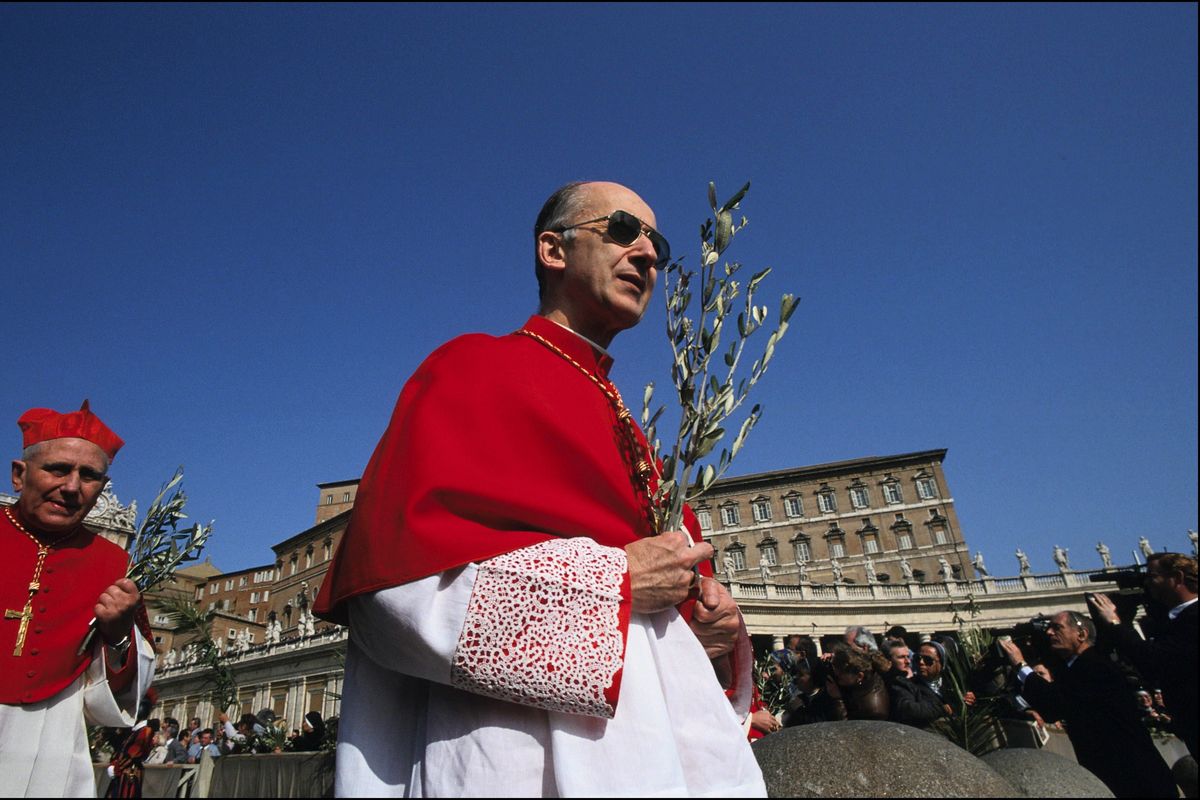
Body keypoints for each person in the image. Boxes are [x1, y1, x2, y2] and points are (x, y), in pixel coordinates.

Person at [312, 181, 764, 796]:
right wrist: (615, 582)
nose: (649, 255)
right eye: (624, 230)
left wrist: (704, 622)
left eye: (656, 243)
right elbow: (392, 591)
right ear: (554, 250)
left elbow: (660, 608)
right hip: (521, 757)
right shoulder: (474, 368)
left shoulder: (637, 430)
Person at [0, 402, 156, 797]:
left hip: (52, 737)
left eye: (89, 476)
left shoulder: (116, 564)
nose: (72, 487)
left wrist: (120, 633)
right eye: (58, 469)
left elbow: (130, 692)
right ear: (19, 475)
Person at [999, 611, 1177, 797]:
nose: (1049, 633)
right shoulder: (1078, 666)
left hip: (1135, 778)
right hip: (1125, 773)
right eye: (1048, 628)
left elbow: (1054, 705)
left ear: (1081, 634)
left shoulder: (1093, 666)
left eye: (1057, 627)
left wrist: (1020, 665)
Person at [1087, 552, 1197, 758]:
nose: (1148, 584)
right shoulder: (1172, 620)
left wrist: (1115, 623)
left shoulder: (1193, 618)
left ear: (1178, 578)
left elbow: (1153, 660)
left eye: (1152, 577)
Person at [825, 645, 891, 721]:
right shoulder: (865, 675)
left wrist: (838, 700)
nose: (837, 679)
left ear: (860, 676)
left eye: (839, 676)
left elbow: (848, 729)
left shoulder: (874, 710)